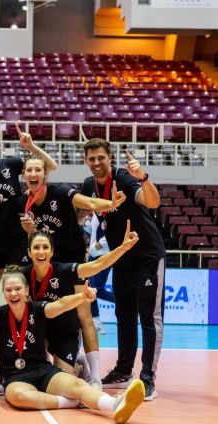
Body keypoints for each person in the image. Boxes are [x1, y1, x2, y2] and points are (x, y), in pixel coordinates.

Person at [0, 272, 146, 424]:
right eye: (8, 290)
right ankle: (71, 402)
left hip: (43, 370)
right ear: (4, 294)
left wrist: (81, 297)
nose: (13, 293)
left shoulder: (38, 309)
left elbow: (60, 304)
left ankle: (114, 405)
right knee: (16, 396)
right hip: (14, 376)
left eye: (18, 288)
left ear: (26, 291)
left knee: (77, 385)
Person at [18, 155, 126, 387]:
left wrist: (110, 204)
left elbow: (88, 202)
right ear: (24, 175)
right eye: (29, 171)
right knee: (43, 316)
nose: (33, 174)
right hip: (45, 263)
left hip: (72, 261)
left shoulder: (61, 192)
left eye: (38, 170)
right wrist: (30, 231)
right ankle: (65, 362)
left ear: (45, 174)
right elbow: (35, 240)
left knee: (83, 316)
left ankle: (95, 376)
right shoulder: (22, 202)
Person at [0, 125, 57, 390]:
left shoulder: (12, 164)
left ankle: (33, 359)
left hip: (18, 242)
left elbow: (50, 166)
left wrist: (31, 147)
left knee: (24, 302)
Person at [80, 140, 165, 400]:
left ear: (110, 157)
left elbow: (152, 202)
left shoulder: (124, 177)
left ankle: (148, 378)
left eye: (101, 158)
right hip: (122, 259)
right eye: (91, 158)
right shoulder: (88, 186)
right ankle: (124, 369)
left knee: (149, 319)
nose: (96, 163)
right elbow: (77, 213)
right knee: (124, 317)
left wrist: (144, 178)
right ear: (86, 160)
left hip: (148, 256)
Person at [23, 227, 138, 381]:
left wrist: (122, 248)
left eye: (45, 247)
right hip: (41, 333)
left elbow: (97, 265)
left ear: (52, 252)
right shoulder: (23, 275)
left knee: (60, 381)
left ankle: (89, 374)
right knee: (39, 376)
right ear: (29, 252)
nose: (41, 252)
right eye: (36, 248)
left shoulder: (64, 271)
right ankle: (74, 364)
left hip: (65, 333)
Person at [87, 211, 115, 333]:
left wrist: (93, 248)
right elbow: (94, 232)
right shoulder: (95, 214)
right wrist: (86, 224)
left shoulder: (107, 212)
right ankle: (96, 322)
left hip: (104, 255)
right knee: (90, 289)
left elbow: (109, 236)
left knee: (96, 289)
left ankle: (127, 301)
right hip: (93, 256)